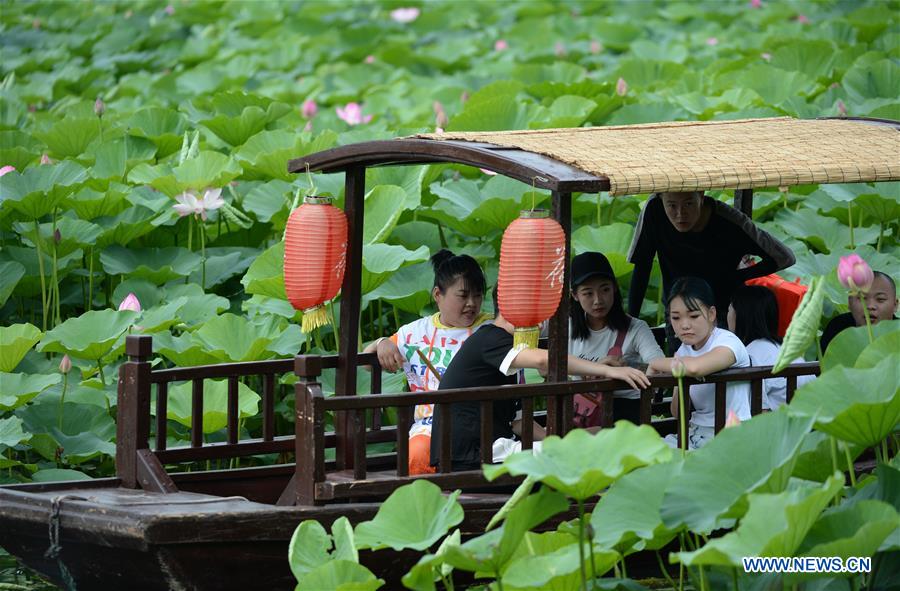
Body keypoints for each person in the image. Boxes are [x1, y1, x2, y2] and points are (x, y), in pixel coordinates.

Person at [430, 287, 651, 472]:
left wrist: (563, 441)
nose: (540, 322)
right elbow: (544, 361)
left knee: (599, 437)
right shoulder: (491, 338)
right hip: (472, 457)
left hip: (492, 452)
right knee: (589, 451)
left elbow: (518, 423)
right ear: (508, 308)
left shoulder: (508, 353)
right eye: (533, 311)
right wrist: (607, 371)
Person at [362, 249, 492, 475]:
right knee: (417, 454)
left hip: (481, 423)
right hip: (431, 425)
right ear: (437, 295)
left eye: (478, 295)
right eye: (463, 296)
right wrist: (382, 342)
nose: (472, 303)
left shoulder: (491, 329)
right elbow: (366, 362)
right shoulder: (414, 333)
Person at [627, 191, 795, 350]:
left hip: (720, 312)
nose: (680, 214)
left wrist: (736, 277)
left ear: (701, 195)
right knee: (680, 365)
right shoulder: (654, 209)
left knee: (721, 366)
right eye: (672, 205)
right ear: (661, 199)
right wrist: (630, 324)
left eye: (688, 204)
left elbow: (784, 256)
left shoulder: (731, 222)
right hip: (677, 310)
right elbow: (642, 265)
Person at [648, 277, 751, 450]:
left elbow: (695, 367)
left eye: (694, 316)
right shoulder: (683, 351)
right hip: (695, 434)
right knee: (647, 453)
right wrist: (679, 376)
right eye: (676, 318)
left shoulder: (728, 342)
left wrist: (655, 363)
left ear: (711, 314)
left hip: (729, 436)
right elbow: (677, 412)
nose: (684, 325)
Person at [568, 251, 664, 423]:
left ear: (614, 288)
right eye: (588, 293)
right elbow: (545, 368)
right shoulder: (566, 328)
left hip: (626, 412)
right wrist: (595, 369)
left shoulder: (636, 328)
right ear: (575, 295)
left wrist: (624, 367)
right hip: (582, 413)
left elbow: (660, 368)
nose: (598, 300)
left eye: (605, 289)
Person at [727, 285, 814, 411]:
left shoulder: (747, 356)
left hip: (778, 420)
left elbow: (758, 412)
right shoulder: (786, 348)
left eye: (729, 310)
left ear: (740, 315)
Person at [820, 271, 898, 353]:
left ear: (895, 305)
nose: (870, 306)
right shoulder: (837, 328)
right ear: (850, 303)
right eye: (862, 298)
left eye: (880, 299)